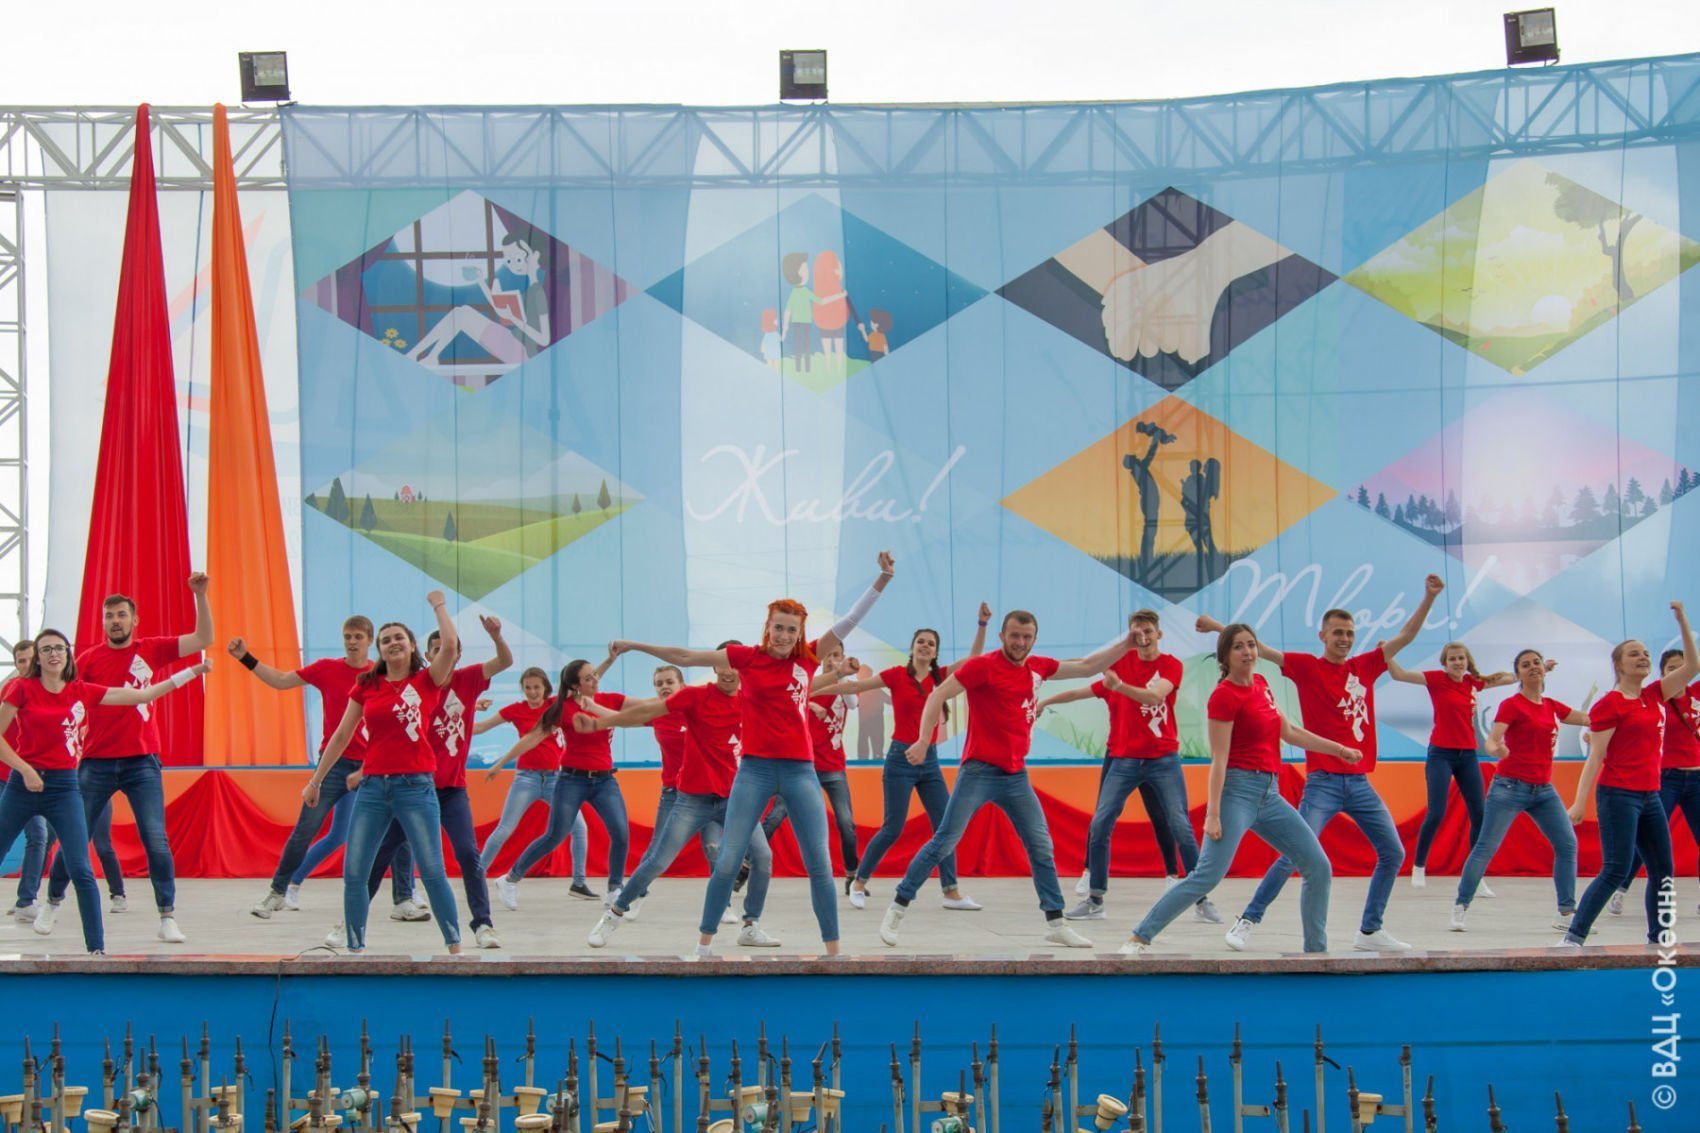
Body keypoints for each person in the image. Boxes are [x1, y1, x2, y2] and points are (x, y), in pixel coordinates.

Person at [610, 550, 899, 956]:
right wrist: (635, 645)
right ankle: (704, 947)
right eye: (778, 627)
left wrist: (883, 578)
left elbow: (850, 620)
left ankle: (834, 953)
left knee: (819, 863)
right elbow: (686, 657)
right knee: (729, 860)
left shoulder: (808, 657)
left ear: (800, 633)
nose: (783, 635)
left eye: (791, 629)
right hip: (754, 772)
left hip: (800, 773)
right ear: (768, 627)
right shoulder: (746, 658)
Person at [1196, 573, 1444, 953]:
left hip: (1359, 782)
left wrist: (1429, 596)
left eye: (1349, 633)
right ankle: (1249, 918)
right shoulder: (1307, 667)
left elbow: (1406, 636)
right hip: (1323, 782)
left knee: (1393, 852)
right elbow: (1260, 649)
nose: (1344, 639)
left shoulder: (1365, 666)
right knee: (1295, 855)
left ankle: (1370, 930)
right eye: (1337, 633)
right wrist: (1219, 628)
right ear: (1323, 636)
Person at [878, 610, 1142, 950]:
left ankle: (1056, 922)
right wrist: (923, 739)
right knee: (944, 841)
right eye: (1014, 636)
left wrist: (1128, 643)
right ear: (1002, 636)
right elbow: (937, 695)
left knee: (1041, 846)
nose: (1020, 642)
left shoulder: (1039, 667)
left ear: (1034, 639)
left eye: (1027, 637)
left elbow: (1089, 666)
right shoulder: (983, 667)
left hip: (1016, 775)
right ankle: (897, 908)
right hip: (978, 772)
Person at [1118, 624, 1345, 955]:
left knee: (1318, 866)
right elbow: (1219, 759)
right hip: (1236, 793)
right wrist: (1213, 814)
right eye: (1238, 647)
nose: (1247, 652)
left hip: (1270, 794)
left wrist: (1338, 749)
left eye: (1251, 645)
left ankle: (1316, 953)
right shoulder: (1223, 696)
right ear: (1225, 655)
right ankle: (1139, 937)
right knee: (1206, 876)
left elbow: (1291, 732)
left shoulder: (1262, 685)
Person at [0, 629, 208, 954]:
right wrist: (25, 769)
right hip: (22, 785)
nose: (53, 654)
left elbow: (142, 696)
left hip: (64, 787)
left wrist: (191, 672)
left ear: (67, 655)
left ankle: (96, 950)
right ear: (38, 658)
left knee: (81, 868)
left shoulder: (81, 690)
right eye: (46, 649)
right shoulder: (21, 688)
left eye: (59, 648)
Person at [40, 574, 213, 945]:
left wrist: (200, 596)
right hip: (96, 762)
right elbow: (63, 698)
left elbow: (203, 639)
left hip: (142, 761)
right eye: (109, 616)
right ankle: (51, 903)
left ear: (134, 620)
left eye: (121, 615)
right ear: (102, 622)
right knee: (74, 837)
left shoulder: (152, 649)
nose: (115, 621)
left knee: (155, 839)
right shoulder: (87, 660)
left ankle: (167, 917)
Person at [582, 645, 781, 948]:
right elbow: (644, 712)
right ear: (715, 667)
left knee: (762, 857)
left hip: (735, 798)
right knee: (657, 860)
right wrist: (599, 721)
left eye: (736, 666)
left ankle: (750, 925)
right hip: (691, 799)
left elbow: (796, 691)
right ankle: (614, 914)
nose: (729, 671)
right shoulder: (694, 697)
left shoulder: (752, 701)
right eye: (723, 665)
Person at [1034, 610, 1219, 924]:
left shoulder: (1170, 665)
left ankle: (1201, 899)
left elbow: (1155, 695)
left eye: (1148, 631)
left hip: (1163, 759)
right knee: (1100, 824)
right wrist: (1044, 700)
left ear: (1159, 634)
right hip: (1123, 760)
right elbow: (1081, 684)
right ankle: (1095, 899)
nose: (1142, 638)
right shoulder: (1118, 665)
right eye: (1136, 632)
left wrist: (1119, 687)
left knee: (1179, 825)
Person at [303, 593, 464, 954]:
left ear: (411, 646)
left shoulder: (427, 681)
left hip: (416, 786)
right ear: (380, 650)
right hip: (373, 788)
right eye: (386, 640)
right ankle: (355, 949)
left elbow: (450, 646)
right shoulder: (367, 685)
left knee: (432, 870)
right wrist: (315, 781)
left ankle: (455, 949)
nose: (393, 643)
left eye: (399, 638)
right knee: (355, 872)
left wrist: (439, 606)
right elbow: (341, 735)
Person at [238, 615, 424, 922]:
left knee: (397, 827)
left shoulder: (381, 676)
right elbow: (281, 681)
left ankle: (403, 899)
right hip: (334, 763)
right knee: (306, 829)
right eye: (347, 636)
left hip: (373, 765)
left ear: (370, 641)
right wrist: (246, 657)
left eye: (358, 637)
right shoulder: (327, 669)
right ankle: (278, 892)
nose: (352, 642)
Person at [813, 606, 989, 911]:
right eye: (920, 642)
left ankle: (951, 891)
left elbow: (973, 660)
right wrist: (813, 690)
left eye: (930, 644)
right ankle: (859, 882)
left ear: (935, 652)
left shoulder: (941, 677)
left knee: (945, 826)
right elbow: (856, 686)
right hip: (900, 760)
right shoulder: (896, 675)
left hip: (929, 762)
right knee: (892, 828)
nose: (925, 646)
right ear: (912, 647)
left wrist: (982, 624)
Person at [359, 616, 512, 950]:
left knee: (468, 854)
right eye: (437, 649)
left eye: (449, 648)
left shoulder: (468, 679)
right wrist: (365, 770)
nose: (445, 652)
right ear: (427, 654)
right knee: (381, 852)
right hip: (413, 789)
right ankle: (351, 921)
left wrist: (497, 636)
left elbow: (504, 661)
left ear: (457, 653)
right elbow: (385, 732)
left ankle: (483, 924)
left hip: (451, 790)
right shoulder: (416, 685)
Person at [1562, 602, 1698, 947]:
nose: (1642, 658)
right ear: (1619, 664)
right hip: (1618, 796)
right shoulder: (1609, 704)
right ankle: (1574, 937)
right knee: (1616, 869)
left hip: (1651, 796)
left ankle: (1659, 939)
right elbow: (1596, 757)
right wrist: (1579, 803)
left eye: (1646, 653)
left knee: (1663, 872)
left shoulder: (1654, 695)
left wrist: (1682, 620)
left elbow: (1693, 666)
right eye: (1634, 654)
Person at [1448, 648, 1586, 933]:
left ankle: (1566, 912)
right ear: (1518, 674)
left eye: (1536, 663)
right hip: (1509, 787)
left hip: (1543, 790)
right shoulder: (1512, 705)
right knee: (1486, 847)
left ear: (1544, 669)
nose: (1532, 667)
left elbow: (1588, 718)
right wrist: (1496, 748)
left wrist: (1617, 715)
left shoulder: (1552, 706)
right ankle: (1461, 905)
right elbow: (1492, 740)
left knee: (1567, 844)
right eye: (1525, 665)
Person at [1383, 643, 1523, 892]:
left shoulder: (1472, 683)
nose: (1457, 662)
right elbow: (1399, 674)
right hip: (1441, 755)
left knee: (1479, 814)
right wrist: (1386, 653)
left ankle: (1474, 875)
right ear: (1445, 663)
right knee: (1436, 812)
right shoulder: (1437, 680)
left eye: (1461, 658)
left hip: (1467, 756)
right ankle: (1419, 866)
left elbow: (1507, 678)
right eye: (1452, 659)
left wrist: (1539, 669)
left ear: (1467, 662)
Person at [492, 658, 630, 909]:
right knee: (555, 835)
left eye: (595, 675)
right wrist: (501, 762)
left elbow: (643, 709)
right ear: (576, 685)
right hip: (571, 780)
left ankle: (614, 889)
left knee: (620, 831)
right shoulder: (563, 708)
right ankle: (510, 879)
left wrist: (674, 699)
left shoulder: (610, 700)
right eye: (588, 678)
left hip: (604, 781)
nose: (595, 679)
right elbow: (532, 738)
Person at [475, 666, 594, 901]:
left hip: (556, 779)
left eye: (536, 687)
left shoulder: (555, 706)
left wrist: (606, 662)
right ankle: (476, 875)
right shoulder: (515, 710)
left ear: (545, 688)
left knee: (579, 828)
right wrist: (467, 711)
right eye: (527, 688)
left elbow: (579, 686)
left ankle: (579, 882)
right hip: (526, 779)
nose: (532, 692)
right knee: (504, 829)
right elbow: (480, 727)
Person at [759, 643, 860, 887]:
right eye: (827, 655)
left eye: (837, 655)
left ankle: (852, 876)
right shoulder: (809, 683)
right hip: (803, 766)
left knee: (846, 823)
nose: (831, 660)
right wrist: (811, 704)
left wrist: (841, 673)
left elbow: (853, 704)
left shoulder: (845, 685)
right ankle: (746, 864)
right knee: (775, 816)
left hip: (833, 767)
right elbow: (786, 701)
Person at [1610, 646, 1700, 916]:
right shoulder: (1656, 698)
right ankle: (1621, 889)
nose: (1678, 673)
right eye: (1672, 669)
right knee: (1647, 840)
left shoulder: (1696, 694)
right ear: (1663, 674)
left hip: (1697, 778)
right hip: (1666, 779)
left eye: (1681, 667)